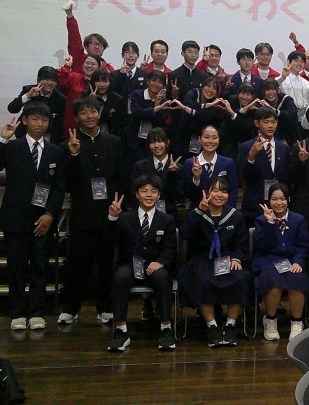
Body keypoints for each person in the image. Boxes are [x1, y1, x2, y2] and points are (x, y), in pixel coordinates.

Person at [58, 96, 125, 325]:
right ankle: (71, 308)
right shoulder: (67, 145)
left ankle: (105, 307)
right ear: (77, 117)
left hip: (110, 212)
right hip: (83, 213)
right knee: (78, 264)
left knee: (108, 264)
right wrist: (74, 155)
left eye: (93, 111)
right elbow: (68, 182)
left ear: (99, 113)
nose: (89, 116)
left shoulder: (114, 142)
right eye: (84, 112)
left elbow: (120, 177)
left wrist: (119, 206)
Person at [0, 103, 65, 330]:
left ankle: (36, 312)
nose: (40, 124)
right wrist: (2, 140)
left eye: (44, 120)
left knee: (40, 267)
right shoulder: (13, 147)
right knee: (16, 267)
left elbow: (59, 187)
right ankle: (17, 313)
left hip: (43, 220)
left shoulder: (55, 151)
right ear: (25, 120)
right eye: (35, 119)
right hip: (16, 218)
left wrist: (50, 214)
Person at [107, 175, 177, 352]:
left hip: (155, 266)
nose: (149, 195)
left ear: (159, 195)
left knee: (162, 278)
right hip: (130, 265)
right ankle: (121, 330)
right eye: (144, 191)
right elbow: (109, 242)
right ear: (137, 194)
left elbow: (170, 248)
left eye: (153, 191)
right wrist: (112, 218)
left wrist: (160, 262)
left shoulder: (167, 220)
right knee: (120, 276)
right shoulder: (125, 218)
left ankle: (166, 328)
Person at [179, 178, 250, 347]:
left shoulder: (235, 216)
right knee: (202, 279)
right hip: (203, 258)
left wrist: (236, 258)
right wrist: (199, 211)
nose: (219, 195)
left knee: (241, 278)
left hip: (227, 258)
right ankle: (212, 326)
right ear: (207, 193)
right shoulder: (198, 213)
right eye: (215, 190)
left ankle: (230, 325)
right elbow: (185, 234)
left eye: (224, 191)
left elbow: (241, 243)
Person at [253, 184, 309, 341]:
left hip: (291, 261)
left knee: (297, 278)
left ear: (289, 200)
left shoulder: (298, 219)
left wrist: (298, 262)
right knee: (272, 280)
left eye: (282, 199)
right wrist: (269, 224)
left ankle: (297, 322)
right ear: (269, 201)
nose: (278, 203)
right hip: (268, 261)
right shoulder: (261, 220)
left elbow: (303, 245)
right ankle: (271, 320)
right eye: (274, 199)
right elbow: (262, 247)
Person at [238, 107, 290, 226]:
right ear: (257, 123)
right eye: (266, 122)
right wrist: (251, 156)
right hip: (255, 206)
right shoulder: (246, 147)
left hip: (279, 206)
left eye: (273, 122)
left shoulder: (284, 148)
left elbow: (287, 177)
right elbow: (244, 176)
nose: (270, 126)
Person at [131, 128, 185, 221]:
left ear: (167, 143)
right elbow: (134, 193)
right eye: (152, 142)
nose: (156, 146)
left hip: (169, 215)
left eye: (160, 141)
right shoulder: (140, 166)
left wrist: (172, 174)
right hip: (144, 215)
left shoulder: (179, 168)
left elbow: (175, 195)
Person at [7, 66, 66, 145]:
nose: (49, 83)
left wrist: (53, 145)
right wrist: (28, 96)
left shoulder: (61, 98)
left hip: (47, 135)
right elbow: (12, 109)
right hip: (24, 132)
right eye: (46, 79)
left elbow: (59, 124)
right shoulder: (29, 90)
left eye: (53, 80)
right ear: (38, 80)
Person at [184, 125, 239, 209]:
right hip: (198, 211)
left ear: (219, 139)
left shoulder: (228, 163)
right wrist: (196, 178)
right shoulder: (190, 163)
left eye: (214, 138)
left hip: (223, 211)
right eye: (206, 137)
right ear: (199, 139)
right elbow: (189, 194)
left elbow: (233, 190)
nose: (210, 141)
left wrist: (229, 212)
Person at [62, 0, 114, 73]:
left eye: (100, 45)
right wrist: (70, 15)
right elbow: (74, 39)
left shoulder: (108, 69)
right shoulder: (79, 59)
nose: (97, 47)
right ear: (86, 47)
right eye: (94, 43)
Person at [57, 54, 101, 136]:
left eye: (93, 64)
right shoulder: (74, 77)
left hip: (95, 125)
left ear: (99, 66)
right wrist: (67, 67)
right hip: (73, 124)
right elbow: (61, 83)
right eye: (87, 63)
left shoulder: (102, 83)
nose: (89, 66)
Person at [84, 68, 125, 137]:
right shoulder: (86, 95)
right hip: (88, 132)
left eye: (105, 81)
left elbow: (118, 122)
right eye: (98, 81)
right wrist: (91, 101)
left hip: (111, 135)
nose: (102, 85)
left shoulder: (117, 99)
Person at [278, 50, 309, 126]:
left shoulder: (306, 82)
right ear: (289, 62)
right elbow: (273, 88)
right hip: (286, 117)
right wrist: (282, 77)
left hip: (304, 119)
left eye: (302, 61)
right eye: (296, 61)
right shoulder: (281, 79)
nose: (299, 64)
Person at [261, 78, 297, 147]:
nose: (270, 92)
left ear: (278, 90)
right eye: (267, 90)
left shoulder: (287, 100)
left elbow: (291, 116)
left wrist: (272, 109)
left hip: (288, 137)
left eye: (272, 89)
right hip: (268, 139)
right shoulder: (262, 102)